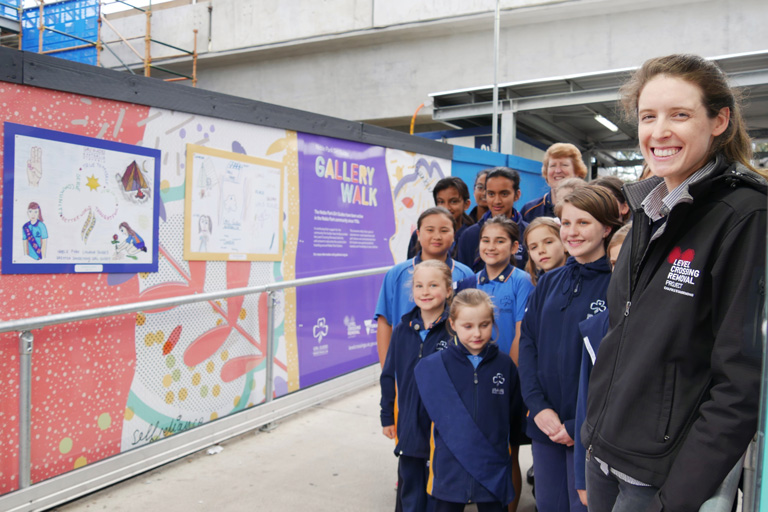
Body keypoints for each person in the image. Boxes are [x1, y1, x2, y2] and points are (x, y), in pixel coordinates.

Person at [582, 54, 767, 512]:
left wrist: (680, 496)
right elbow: (623, 334)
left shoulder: (746, 216)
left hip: (659, 478)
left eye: (679, 115)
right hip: (605, 452)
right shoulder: (651, 205)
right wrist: (592, 435)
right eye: (649, 116)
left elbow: (741, 381)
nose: (658, 131)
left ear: (719, 120)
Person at [518, 186, 622, 512]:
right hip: (546, 425)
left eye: (583, 223)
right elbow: (529, 344)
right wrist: (538, 406)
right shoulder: (550, 281)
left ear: (606, 228)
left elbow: (620, 366)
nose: (571, 232)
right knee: (548, 504)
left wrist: (579, 422)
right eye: (565, 223)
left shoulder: (619, 285)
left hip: (592, 430)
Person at [414, 288, 526, 512]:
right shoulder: (434, 367)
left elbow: (514, 417)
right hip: (448, 468)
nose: (477, 333)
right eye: (468, 326)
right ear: (453, 324)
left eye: (484, 325)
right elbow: (423, 417)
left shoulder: (505, 366)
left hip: (492, 467)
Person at [380, 260, 456, 512]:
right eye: (419, 285)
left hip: (442, 429)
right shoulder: (402, 329)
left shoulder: (455, 331)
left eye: (433, 285)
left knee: (439, 496)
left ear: (448, 290)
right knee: (410, 492)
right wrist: (386, 416)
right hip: (410, 427)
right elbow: (389, 374)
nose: (425, 291)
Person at [572, 223, 631, 506]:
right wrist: (581, 477)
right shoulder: (595, 328)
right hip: (599, 462)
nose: (620, 271)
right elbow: (586, 404)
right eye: (614, 263)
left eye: (629, 261)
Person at [376, 207, 474, 366]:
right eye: (430, 230)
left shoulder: (465, 274)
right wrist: (388, 372)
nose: (437, 236)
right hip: (405, 366)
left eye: (444, 230)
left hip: (452, 366)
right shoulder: (396, 274)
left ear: (454, 235)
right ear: (419, 235)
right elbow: (385, 323)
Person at [457, 167, 528, 272]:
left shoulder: (528, 233)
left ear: (517, 195)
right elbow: (464, 276)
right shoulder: (470, 235)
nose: (497, 201)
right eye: (491, 194)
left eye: (504, 194)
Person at [407, 177, 474, 259]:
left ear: (466, 204)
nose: (446, 207)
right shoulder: (422, 233)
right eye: (441, 202)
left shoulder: (472, 235)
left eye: (453, 201)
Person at [521, 143, 587, 223]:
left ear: (577, 171)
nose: (558, 170)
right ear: (546, 172)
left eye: (564, 165)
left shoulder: (588, 207)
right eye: (553, 166)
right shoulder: (529, 210)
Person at [523, 217, 568, 285]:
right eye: (534, 247)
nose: (541, 251)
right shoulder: (537, 289)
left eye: (548, 242)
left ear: (565, 244)